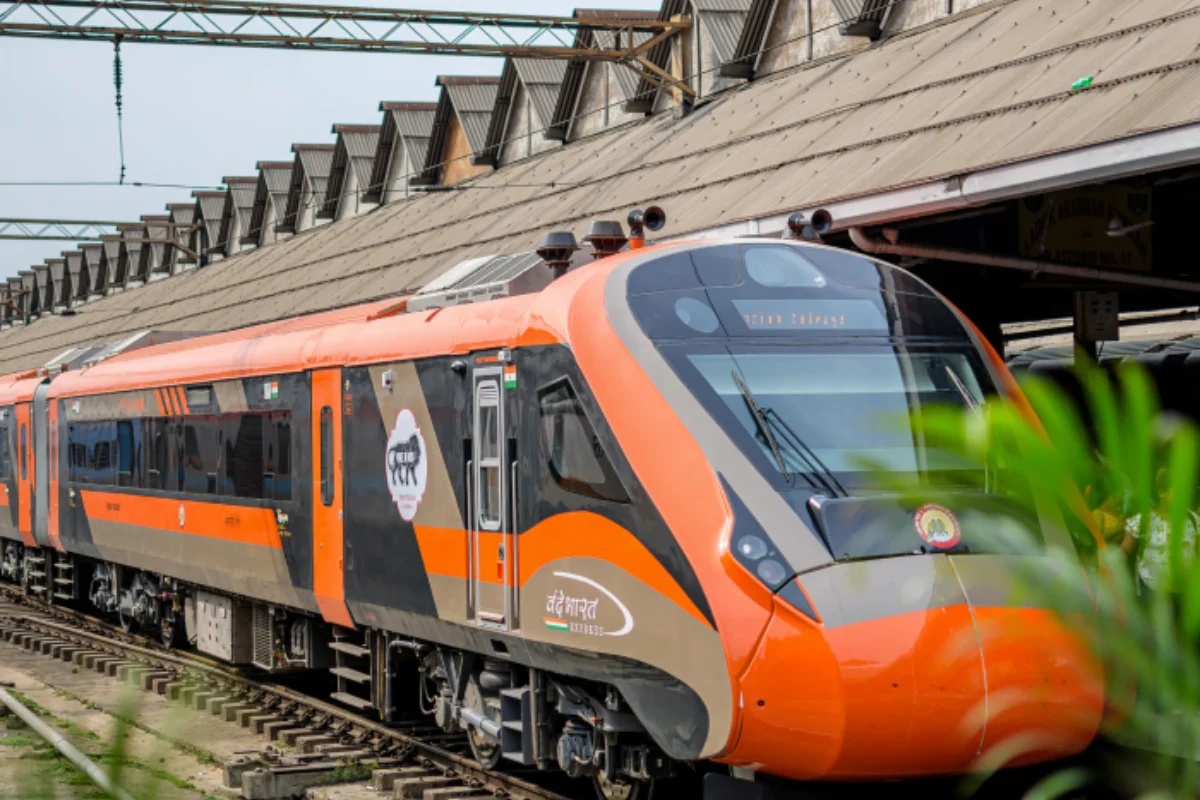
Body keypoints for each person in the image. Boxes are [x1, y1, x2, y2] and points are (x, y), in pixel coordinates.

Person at [1121, 470, 1199, 595]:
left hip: (1185, 592)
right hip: (1153, 592)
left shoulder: (1193, 519)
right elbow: (1123, 551)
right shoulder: (1142, 521)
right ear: (1162, 492)